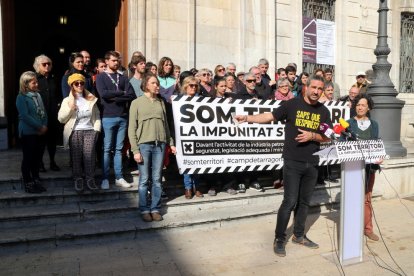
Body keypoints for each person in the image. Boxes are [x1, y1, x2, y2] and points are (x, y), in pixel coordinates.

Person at [234, 75, 332, 257]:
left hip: (312, 163)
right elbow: (269, 116)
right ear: (306, 87)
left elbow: (328, 136)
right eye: (314, 88)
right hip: (293, 162)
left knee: (304, 203)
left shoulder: (324, 111)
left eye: (320, 89)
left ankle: (299, 235)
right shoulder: (292, 105)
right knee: (289, 201)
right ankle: (279, 238)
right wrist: (247, 118)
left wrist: (313, 136)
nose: (317, 92)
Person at [128, 74, 176, 222]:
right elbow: (131, 128)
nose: (157, 86)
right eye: (154, 83)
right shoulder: (136, 103)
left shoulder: (161, 102)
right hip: (144, 145)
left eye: (157, 83)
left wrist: (171, 143)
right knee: (144, 179)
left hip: (160, 145)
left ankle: (155, 208)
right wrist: (135, 150)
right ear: (146, 85)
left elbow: (166, 125)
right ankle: (144, 209)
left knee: (156, 179)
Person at [95, 50, 136, 190]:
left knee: (119, 149)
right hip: (108, 116)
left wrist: (116, 97)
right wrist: (121, 93)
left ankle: (119, 177)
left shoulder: (123, 78)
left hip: (123, 116)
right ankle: (105, 178)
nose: (116, 63)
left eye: (118, 60)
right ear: (106, 61)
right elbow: (104, 94)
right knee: (107, 149)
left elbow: (131, 95)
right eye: (113, 60)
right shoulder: (101, 77)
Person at [345, 94, 382, 241]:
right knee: (352, 198)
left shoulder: (374, 124)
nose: (360, 107)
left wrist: (380, 156)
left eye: (363, 105)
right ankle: (352, 228)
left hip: (369, 167)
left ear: (368, 108)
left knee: (367, 198)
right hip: (352, 167)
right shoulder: (348, 123)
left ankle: (368, 228)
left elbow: (376, 143)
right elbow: (342, 143)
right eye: (358, 105)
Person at [58, 73, 101, 193]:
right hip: (75, 131)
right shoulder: (67, 100)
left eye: (82, 83)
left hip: (89, 131)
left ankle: (90, 179)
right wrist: (70, 108)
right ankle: (78, 179)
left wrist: (96, 130)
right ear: (72, 85)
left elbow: (96, 115)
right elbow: (61, 119)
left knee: (90, 156)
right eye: (76, 83)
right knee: (76, 158)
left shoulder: (91, 98)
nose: (80, 85)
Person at [16, 71, 48, 193]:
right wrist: (39, 127)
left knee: (36, 158)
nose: (36, 84)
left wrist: (44, 125)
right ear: (25, 84)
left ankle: (36, 179)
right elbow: (24, 116)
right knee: (28, 158)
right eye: (33, 82)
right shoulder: (21, 97)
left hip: (39, 132)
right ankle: (28, 182)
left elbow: (43, 112)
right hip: (28, 132)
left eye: (36, 81)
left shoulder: (38, 95)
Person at [33, 55, 61, 172]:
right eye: (44, 64)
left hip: (53, 114)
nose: (47, 66)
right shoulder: (34, 79)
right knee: (40, 141)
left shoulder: (54, 78)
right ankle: (39, 163)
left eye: (49, 64)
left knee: (52, 140)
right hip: (40, 115)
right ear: (37, 66)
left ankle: (52, 161)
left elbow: (59, 94)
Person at [180, 76, 203, 199]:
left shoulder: (201, 100)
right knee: (187, 162)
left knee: (197, 162)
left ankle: (197, 187)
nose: (193, 88)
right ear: (185, 86)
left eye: (195, 86)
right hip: (185, 135)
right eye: (191, 85)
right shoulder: (180, 100)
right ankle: (188, 187)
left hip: (199, 134)